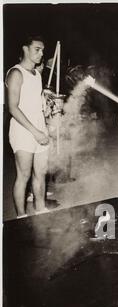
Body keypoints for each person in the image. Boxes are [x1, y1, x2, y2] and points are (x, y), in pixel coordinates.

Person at [6, 35, 49, 217]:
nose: (41, 54)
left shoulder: (37, 74)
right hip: (23, 131)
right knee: (23, 176)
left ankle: (41, 209)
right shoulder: (16, 73)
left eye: (42, 50)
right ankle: (21, 218)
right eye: (37, 49)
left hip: (40, 128)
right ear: (25, 49)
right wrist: (35, 132)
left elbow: (36, 103)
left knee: (41, 173)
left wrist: (48, 108)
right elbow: (13, 108)